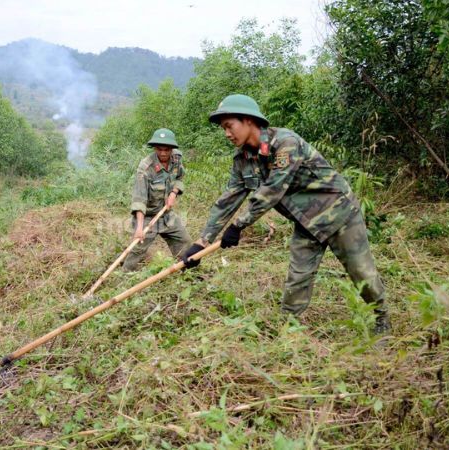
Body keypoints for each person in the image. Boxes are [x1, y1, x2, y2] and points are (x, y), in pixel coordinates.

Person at [181, 94, 391, 333]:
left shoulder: (285, 143)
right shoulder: (243, 160)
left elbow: (272, 191)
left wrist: (238, 226)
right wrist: (201, 242)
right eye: (224, 129)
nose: (227, 134)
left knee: (361, 272)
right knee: (297, 278)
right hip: (306, 222)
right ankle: (289, 330)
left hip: (339, 213)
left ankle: (382, 319)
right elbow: (227, 200)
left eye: (229, 126)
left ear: (249, 120)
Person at [122, 128, 192, 271]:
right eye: (159, 149)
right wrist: (140, 228)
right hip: (147, 217)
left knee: (185, 242)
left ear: (172, 149)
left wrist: (173, 192)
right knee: (137, 250)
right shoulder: (145, 168)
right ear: (154, 148)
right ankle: (124, 278)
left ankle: (191, 275)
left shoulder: (177, 158)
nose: (163, 153)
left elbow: (180, 177)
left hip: (166, 214)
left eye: (167, 150)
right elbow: (139, 200)